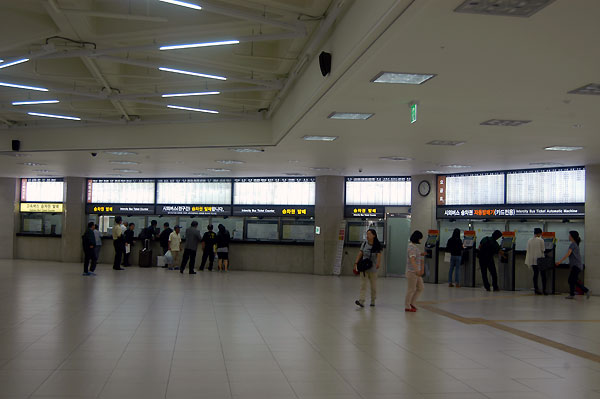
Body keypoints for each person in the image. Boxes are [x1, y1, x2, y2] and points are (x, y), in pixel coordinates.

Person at [556, 230, 591, 299]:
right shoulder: (575, 244)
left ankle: (585, 290)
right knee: (572, 280)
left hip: (576, 266)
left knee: (571, 280)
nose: (569, 237)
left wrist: (560, 261)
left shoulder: (573, 244)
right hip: (577, 266)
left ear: (572, 236)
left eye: (569, 235)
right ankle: (575, 293)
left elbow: (568, 254)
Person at [353, 228, 382, 308]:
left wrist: (378, 264)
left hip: (373, 268)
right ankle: (361, 301)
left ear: (374, 235)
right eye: (367, 234)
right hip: (364, 268)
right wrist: (356, 262)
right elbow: (360, 252)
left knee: (373, 286)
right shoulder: (364, 244)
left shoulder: (377, 244)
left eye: (369, 234)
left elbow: (379, 255)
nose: (367, 236)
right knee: (363, 285)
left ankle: (373, 300)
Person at [405, 230, 425, 312]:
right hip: (412, 272)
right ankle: (407, 305)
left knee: (420, 287)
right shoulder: (412, 247)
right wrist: (417, 270)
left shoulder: (414, 247)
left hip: (416, 272)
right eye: (420, 238)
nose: (420, 240)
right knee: (411, 289)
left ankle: (412, 303)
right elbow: (412, 259)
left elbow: (415, 256)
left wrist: (421, 254)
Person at [525, 228, 547, 295]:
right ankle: (544, 290)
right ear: (539, 233)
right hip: (540, 259)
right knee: (543, 275)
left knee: (535, 275)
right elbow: (543, 249)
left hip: (532, 260)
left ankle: (536, 289)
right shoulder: (541, 240)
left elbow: (527, 249)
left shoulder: (529, 240)